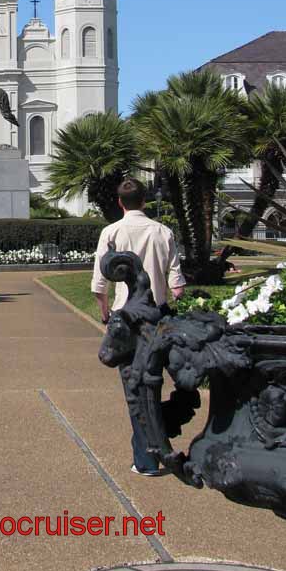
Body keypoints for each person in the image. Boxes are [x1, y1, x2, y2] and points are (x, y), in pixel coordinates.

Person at [91, 178, 186, 477]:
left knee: (136, 389)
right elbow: (178, 285)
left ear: (120, 202)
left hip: (127, 321)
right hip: (157, 318)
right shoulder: (163, 231)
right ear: (144, 200)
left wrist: (105, 312)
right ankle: (152, 446)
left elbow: (99, 281)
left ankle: (146, 457)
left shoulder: (111, 232)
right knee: (153, 386)